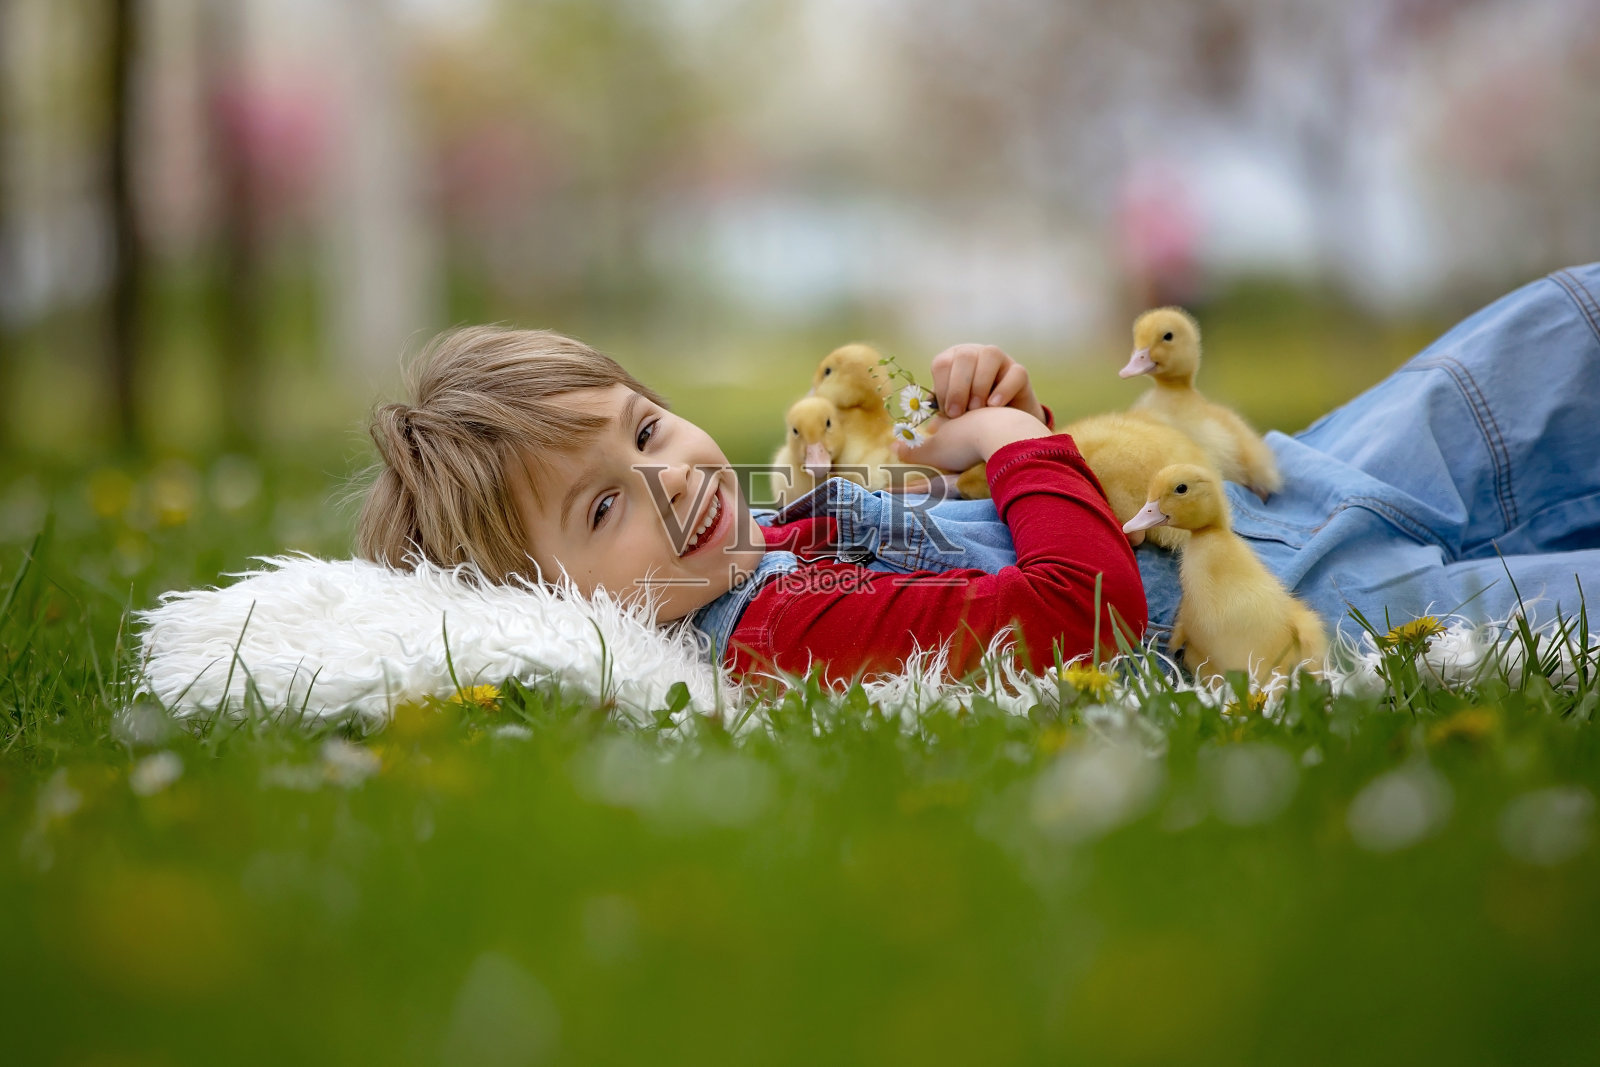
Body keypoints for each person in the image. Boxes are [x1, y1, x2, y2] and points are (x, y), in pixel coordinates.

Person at [357, 263, 1600, 685]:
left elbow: (1021, 533)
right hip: (1306, 610)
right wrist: (1017, 452)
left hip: (1287, 483)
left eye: (643, 429)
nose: (668, 476)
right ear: (549, 599)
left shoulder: (772, 542)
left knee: (1560, 330)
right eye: (601, 506)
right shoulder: (778, 632)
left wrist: (1004, 424)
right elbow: (1077, 612)